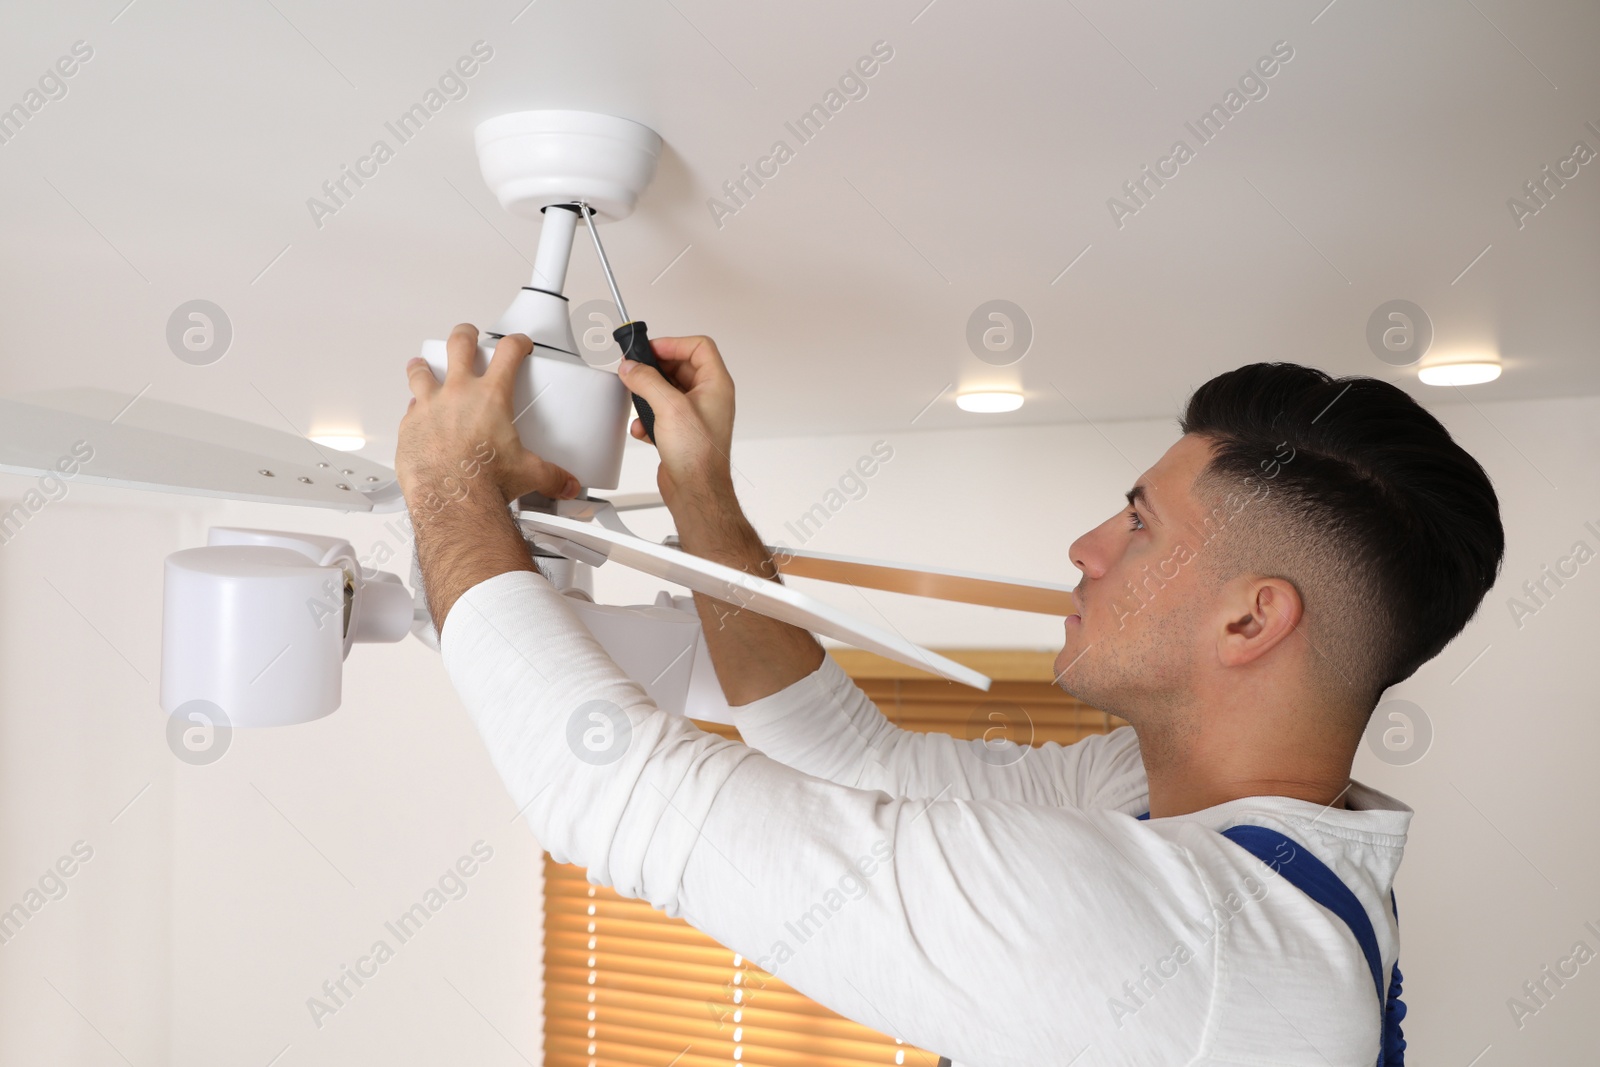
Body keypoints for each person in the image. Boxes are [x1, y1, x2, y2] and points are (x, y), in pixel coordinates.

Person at [397, 326, 1503, 1066]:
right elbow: (852, 760)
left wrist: (449, 489)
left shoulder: (1202, 943)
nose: (1085, 546)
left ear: (1249, 621)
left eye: (1138, 523)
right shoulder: (1185, 805)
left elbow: (623, 800)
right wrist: (699, 491)